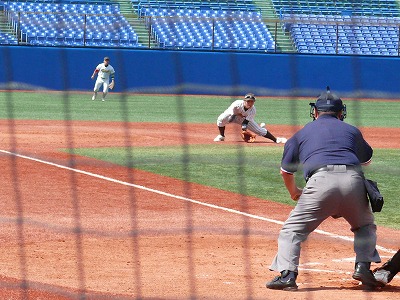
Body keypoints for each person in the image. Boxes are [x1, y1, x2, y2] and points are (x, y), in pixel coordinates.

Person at [266, 87, 382, 291]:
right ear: (341, 113)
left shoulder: (302, 133)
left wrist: (294, 192)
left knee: (292, 230)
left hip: (320, 182)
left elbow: (286, 171)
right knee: (365, 226)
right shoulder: (352, 130)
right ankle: (363, 266)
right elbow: (367, 160)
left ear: (315, 112)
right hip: (354, 181)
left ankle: (287, 275)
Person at [213, 93, 287, 143]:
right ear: (244, 101)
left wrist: (244, 130)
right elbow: (231, 118)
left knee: (260, 131)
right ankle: (221, 136)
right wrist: (239, 116)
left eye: (252, 102)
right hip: (232, 116)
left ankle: (276, 139)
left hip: (243, 119)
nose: (250, 103)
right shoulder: (237, 104)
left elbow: (245, 123)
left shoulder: (253, 110)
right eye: (248, 101)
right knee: (221, 119)